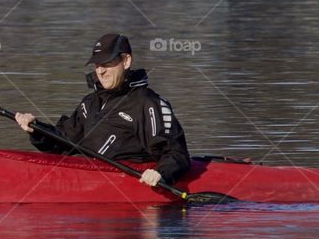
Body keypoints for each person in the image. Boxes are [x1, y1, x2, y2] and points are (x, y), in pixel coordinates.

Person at [15, 33, 191, 186]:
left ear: (126, 61)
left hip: (134, 186)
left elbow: (176, 153)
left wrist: (161, 173)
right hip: (88, 181)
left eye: (106, 63)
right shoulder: (90, 103)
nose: (101, 71)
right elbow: (63, 143)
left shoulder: (147, 103)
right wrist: (36, 129)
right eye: (97, 65)